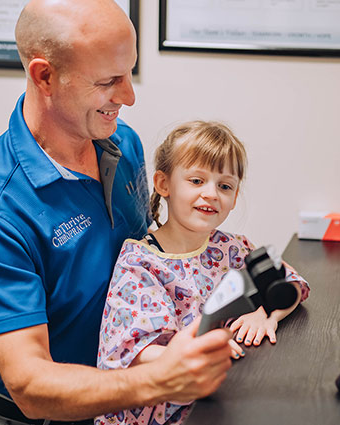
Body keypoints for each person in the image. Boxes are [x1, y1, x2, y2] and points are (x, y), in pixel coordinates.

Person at [0, 2, 233, 425]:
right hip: (12, 413)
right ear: (44, 76)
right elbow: (30, 386)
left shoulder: (123, 145)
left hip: (100, 400)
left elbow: (144, 260)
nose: (129, 96)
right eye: (108, 81)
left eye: (130, 72)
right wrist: (162, 379)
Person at [96, 121, 310, 425]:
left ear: (234, 197)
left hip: (218, 398)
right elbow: (135, 351)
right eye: (197, 181)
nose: (211, 194)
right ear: (164, 184)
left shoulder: (232, 249)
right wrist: (207, 350)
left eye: (224, 186)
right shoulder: (140, 262)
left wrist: (265, 313)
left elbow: (292, 284)